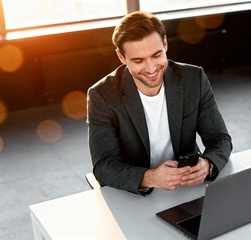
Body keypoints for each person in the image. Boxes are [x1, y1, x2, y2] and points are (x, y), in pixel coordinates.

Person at [86, 11, 232, 196]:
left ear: (165, 44)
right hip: (135, 193)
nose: (151, 68)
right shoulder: (102, 95)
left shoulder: (193, 79)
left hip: (186, 187)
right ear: (122, 57)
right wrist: (151, 177)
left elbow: (219, 138)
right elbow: (103, 165)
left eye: (156, 55)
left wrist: (207, 164)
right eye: (138, 60)